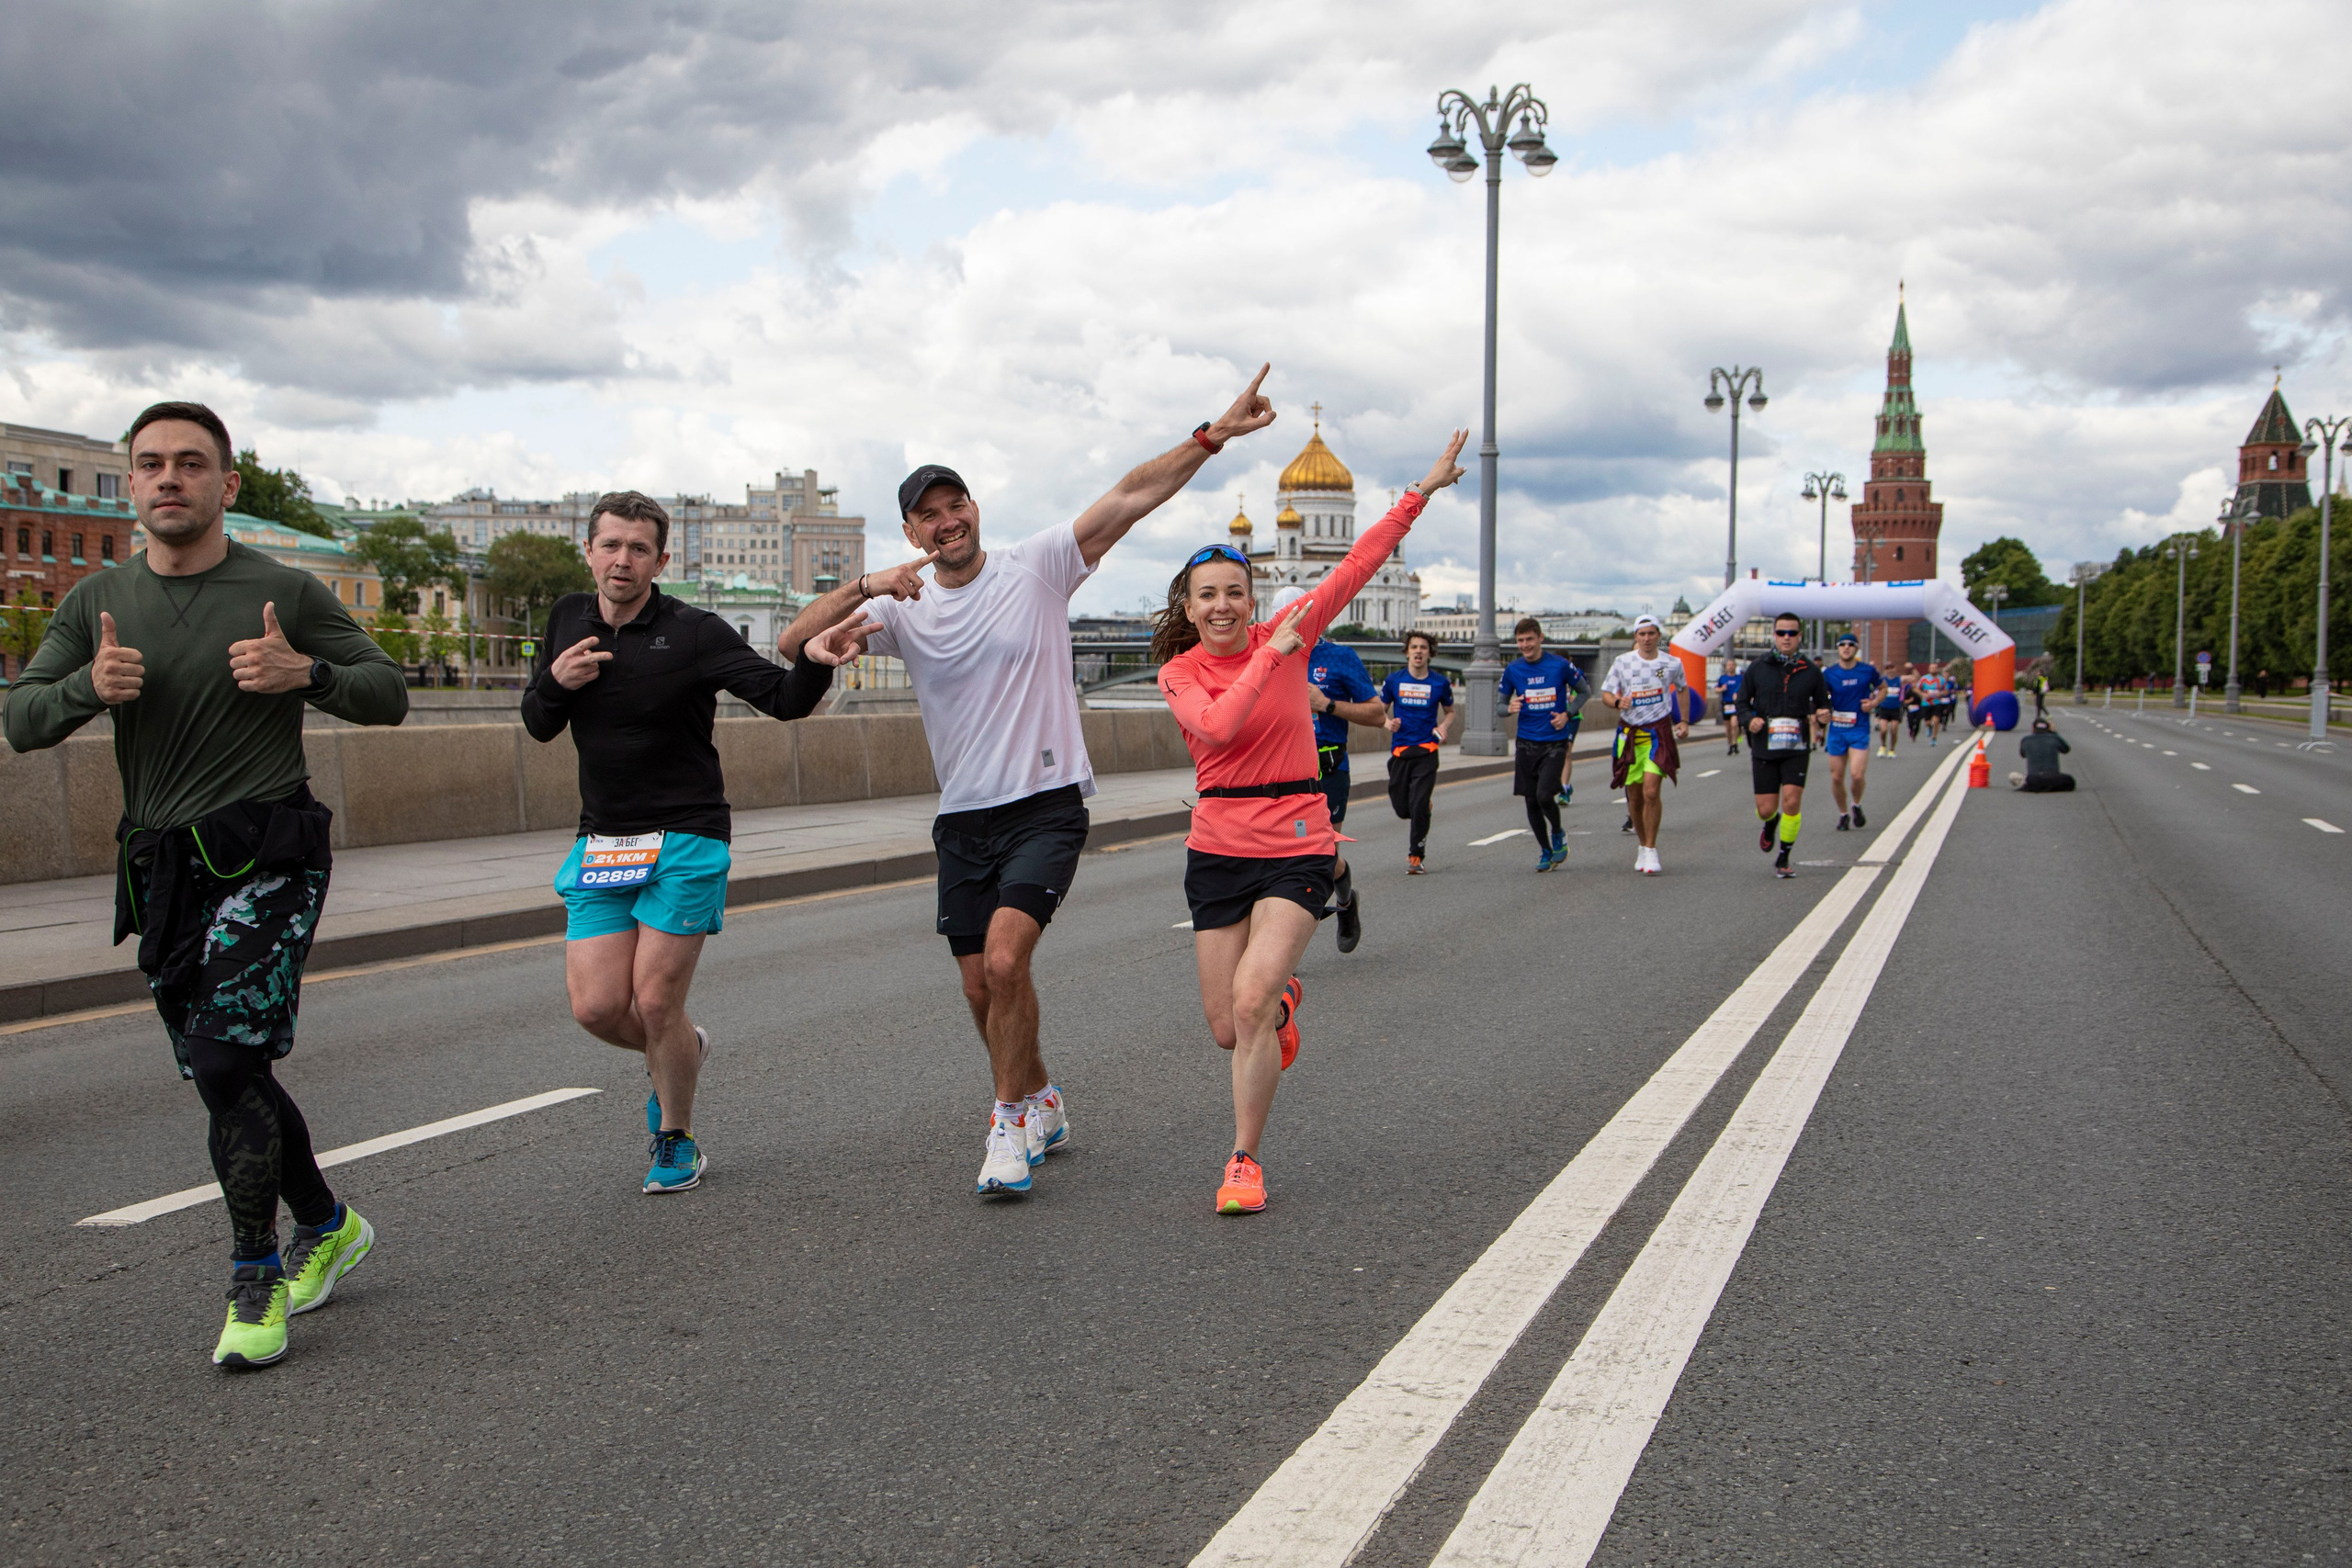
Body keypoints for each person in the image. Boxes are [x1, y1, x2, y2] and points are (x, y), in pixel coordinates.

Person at [801, 367, 1280, 1198]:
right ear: (912, 529)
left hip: (1045, 808)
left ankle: (1006, 1126)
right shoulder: (902, 608)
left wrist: (1211, 436)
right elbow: (793, 642)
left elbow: (1131, 497)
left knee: (1006, 957)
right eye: (929, 514)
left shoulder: (1037, 566)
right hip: (964, 819)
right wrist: (867, 585)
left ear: (975, 510)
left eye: (958, 506)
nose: (948, 522)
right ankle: (1042, 1096)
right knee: (980, 983)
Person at [4, 401, 407, 1369]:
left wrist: (302, 670)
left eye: (191, 464)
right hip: (162, 867)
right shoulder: (94, 601)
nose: (169, 479)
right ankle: (328, 1223)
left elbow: (386, 694)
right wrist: (83, 692)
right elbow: (21, 722)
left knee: (226, 1062)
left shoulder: (284, 589)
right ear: (131, 486)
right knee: (229, 1075)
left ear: (228, 485)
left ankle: (253, 1279)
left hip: (269, 850)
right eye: (150, 466)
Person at [521, 491, 910, 1195]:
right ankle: (683, 1052)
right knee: (599, 1007)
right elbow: (538, 723)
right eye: (610, 545)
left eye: (639, 549)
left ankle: (675, 1137)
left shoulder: (694, 632)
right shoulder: (566, 620)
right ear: (589, 550)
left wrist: (815, 661)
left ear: (661, 560)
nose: (622, 559)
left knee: (656, 998)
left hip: (686, 837)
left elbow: (783, 698)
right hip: (603, 841)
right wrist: (553, 682)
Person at [1157, 431, 1469, 1213]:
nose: (1224, 606)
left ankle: (1243, 1161)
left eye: (1235, 592)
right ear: (1188, 609)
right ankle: (1284, 1005)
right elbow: (1221, 727)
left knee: (1252, 1000)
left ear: (1252, 596)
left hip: (1297, 837)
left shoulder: (1292, 629)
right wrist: (1274, 655)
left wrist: (1420, 491)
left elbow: (1359, 561)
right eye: (1208, 596)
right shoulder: (1181, 671)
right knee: (1230, 1026)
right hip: (1218, 848)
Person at [1300, 598, 1386, 953]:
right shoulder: (1264, 657)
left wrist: (1326, 705)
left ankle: (1347, 904)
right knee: (1286, 860)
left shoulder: (1339, 657)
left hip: (1329, 767)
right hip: (1282, 771)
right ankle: (1283, 953)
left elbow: (1378, 714)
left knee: (1323, 856)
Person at [1737, 612, 1833, 879]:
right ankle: (1770, 824)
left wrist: (1824, 715)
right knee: (1766, 809)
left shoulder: (1811, 671)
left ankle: (1784, 856)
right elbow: (1742, 703)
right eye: (1782, 633)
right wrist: (1749, 720)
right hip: (1765, 746)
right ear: (1774, 635)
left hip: (1796, 746)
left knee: (1791, 801)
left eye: (1792, 633)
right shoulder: (1758, 667)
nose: (1787, 638)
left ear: (1800, 636)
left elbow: (1824, 703)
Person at [1600, 614, 1689, 874]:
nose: (1647, 638)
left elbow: (1682, 688)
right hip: (1629, 734)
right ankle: (1642, 845)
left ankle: (1651, 849)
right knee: (1635, 796)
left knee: (1651, 791)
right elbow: (1605, 693)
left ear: (1659, 636)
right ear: (1635, 637)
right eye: (1642, 634)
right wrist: (1617, 702)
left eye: (1651, 633)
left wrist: (1683, 721)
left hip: (1658, 732)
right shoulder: (1623, 662)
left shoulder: (1672, 663)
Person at [1498, 616, 1587, 871]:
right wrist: (1509, 707)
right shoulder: (1513, 670)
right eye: (1520, 641)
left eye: (1529, 640)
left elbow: (1584, 691)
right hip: (1526, 742)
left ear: (1540, 639)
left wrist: (1567, 714)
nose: (1525, 645)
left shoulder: (1559, 666)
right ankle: (1546, 851)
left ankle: (1558, 832)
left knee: (1545, 795)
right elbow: (1500, 706)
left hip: (1554, 742)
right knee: (1530, 800)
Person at [1380, 630, 1454, 873]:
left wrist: (1443, 726)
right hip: (1401, 751)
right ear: (1407, 652)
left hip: (1427, 750)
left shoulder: (1440, 683)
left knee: (1419, 805)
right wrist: (1387, 723)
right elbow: (1379, 711)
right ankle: (1421, 806)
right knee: (1403, 809)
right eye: (1414, 647)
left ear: (1430, 653)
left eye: (1423, 647)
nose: (1419, 651)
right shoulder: (1394, 681)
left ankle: (1416, 856)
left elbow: (1451, 711)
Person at [1819, 632, 1883, 831]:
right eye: (1842, 645)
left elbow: (1883, 689)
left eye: (1850, 645)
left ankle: (1856, 804)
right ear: (1838, 649)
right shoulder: (1829, 674)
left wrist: (1873, 703)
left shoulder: (1867, 671)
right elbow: (1821, 698)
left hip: (1859, 728)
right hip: (1837, 730)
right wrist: (1822, 713)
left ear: (1856, 649)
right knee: (1837, 777)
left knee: (1856, 775)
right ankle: (1843, 814)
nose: (1846, 648)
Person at [2011, 717, 2075, 792]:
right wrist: (2054, 732)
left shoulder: (2026, 740)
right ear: (2048, 728)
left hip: (2034, 779)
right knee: (2068, 780)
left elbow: (2023, 754)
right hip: (2052, 778)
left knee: (2013, 776)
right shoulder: (2055, 738)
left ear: (2033, 728)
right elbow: (2066, 750)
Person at [1872, 660, 1905, 757]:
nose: (1890, 670)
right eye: (1887, 668)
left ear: (1895, 669)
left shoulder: (1899, 680)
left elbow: (1915, 678)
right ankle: (1883, 746)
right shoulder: (1882, 680)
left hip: (1896, 708)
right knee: (1883, 730)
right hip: (1884, 708)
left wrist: (1911, 668)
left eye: (1892, 668)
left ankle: (1892, 749)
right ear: (1885, 670)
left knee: (1894, 730)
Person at [1716, 661, 1744, 755]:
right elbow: (1716, 689)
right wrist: (1722, 689)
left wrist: (1738, 694)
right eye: (1729, 665)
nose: (1731, 667)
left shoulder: (1740, 678)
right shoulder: (1723, 678)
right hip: (1726, 704)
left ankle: (1735, 743)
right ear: (1726, 667)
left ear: (1735, 666)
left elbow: (1745, 689)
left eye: (1732, 665)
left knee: (1734, 724)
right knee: (1728, 727)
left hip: (1736, 704)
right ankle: (1730, 743)